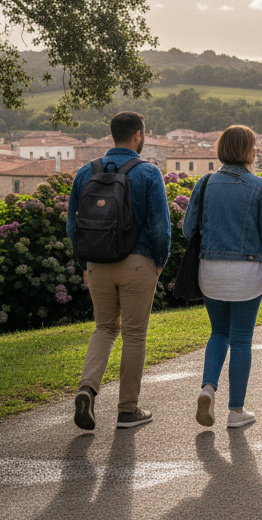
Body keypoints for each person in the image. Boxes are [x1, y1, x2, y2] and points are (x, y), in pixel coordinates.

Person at [69, 111, 171, 430]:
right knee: (134, 334)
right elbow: (161, 227)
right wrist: (159, 261)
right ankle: (128, 410)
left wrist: (86, 263)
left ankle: (87, 389)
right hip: (138, 263)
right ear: (138, 135)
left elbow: (73, 225)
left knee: (104, 328)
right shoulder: (148, 172)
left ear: (112, 135)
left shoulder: (86, 171)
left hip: (98, 264)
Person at [183, 125, 262, 429]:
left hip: (210, 270)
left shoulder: (205, 183)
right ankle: (236, 411)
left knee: (218, 333)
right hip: (247, 272)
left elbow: (188, 229)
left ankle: (207, 388)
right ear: (249, 151)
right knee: (241, 340)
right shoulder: (261, 186)